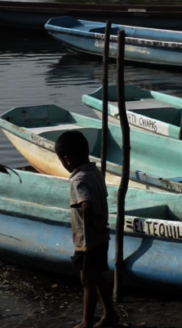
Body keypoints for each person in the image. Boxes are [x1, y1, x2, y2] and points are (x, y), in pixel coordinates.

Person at [56, 130, 120, 328]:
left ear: (66, 159)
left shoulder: (78, 180)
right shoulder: (96, 173)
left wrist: (93, 223)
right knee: (98, 275)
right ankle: (110, 313)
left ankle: (86, 322)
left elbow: (86, 205)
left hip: (87, 240)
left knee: (87, 280)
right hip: (101, 238)